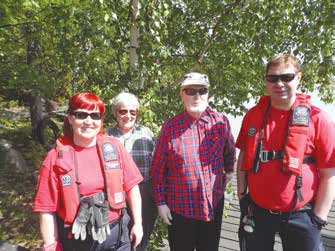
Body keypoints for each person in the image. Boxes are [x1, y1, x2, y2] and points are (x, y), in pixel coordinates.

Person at [236, 53, 335, 251]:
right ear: (266, 81)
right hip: (257, 212)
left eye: (286, 77)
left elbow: (329, 173)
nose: (279, 83)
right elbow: (243, 158)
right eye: (272, 78)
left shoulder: (319, 119)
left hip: (302, 215)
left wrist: (319, 217)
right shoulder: (253, 115)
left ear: (299, 78)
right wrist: (241, 196)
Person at [33, 92, 144, 251]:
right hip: (79, 240)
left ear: (101, 120)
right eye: (81, 115)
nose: (88, 121)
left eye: (95, 116)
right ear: (71, 118)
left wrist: (138, 224)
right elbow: (46, 208)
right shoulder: (55, 158)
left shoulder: (114, 148)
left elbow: (132, 188)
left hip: (118, 238)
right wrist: (51, 244)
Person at [151, 72, 236, 251]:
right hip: (180, 208)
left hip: (212, 206)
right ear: (182, 94)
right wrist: (161, 203)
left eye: (202, 90)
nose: (197, 95)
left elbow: (230, 154)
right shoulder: (170, 127)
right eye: (190, 91)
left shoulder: (221, 122)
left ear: (208, 95)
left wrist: (227, 175)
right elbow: (158, 170)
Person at [106, 92, 157, 251]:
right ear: (115, 113)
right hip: (117, 195)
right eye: (123, 111)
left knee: (142, 236)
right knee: (120, 236)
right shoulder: (106, 137)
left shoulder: (146, 134)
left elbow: (156, 163)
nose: (128, 115)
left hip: (145, 191)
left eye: (132, 112)